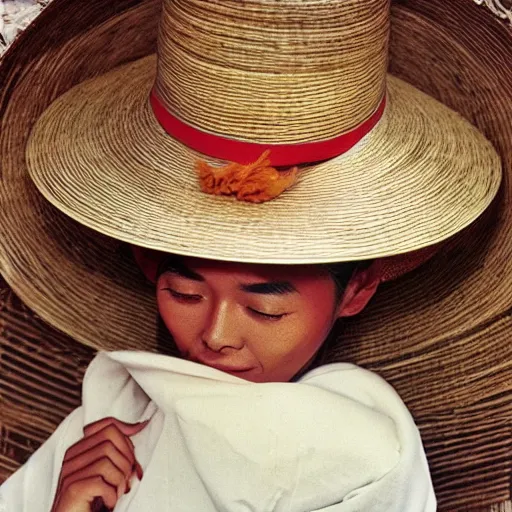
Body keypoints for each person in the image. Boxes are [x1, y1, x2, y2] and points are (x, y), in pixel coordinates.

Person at [0, 0, 506, 510]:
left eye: (265, 308)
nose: (215, 337)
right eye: (184, 292)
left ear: (356, 288)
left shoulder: (364, 458)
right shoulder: (107, 421)